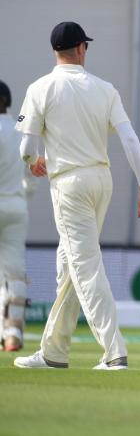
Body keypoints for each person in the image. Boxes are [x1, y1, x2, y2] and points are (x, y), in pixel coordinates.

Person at [15, 22, 140, 371]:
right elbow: (130, 140)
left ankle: (114, 352)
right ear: (81, 48)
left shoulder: (41, 87)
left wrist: (34, 162)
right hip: (101, 180)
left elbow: (27, 146)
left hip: (69, 184)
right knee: (71, 266)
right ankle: (54, 352)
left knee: (84, 267)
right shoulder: (105, 89)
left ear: (55, 51)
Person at [0, 80, 30, 352]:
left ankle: (5, 332)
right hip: (15, 207)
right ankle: (12, 334)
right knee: (14, 273)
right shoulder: (19, 129)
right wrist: (25, 196)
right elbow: (31, 168)